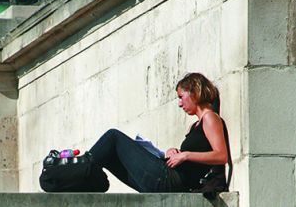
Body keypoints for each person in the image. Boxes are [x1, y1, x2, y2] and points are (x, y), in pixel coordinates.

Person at [88, 73, 228, 192]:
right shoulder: (193, 126)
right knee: (110, 156)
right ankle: (86, 178)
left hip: (170, 180)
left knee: (113, 137)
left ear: (194, 93)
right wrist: (175, 152)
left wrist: (185, 155)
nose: (179, 104)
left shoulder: (210, 118)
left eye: (181, 96)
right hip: (168, 179)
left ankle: (79, 168)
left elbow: (221, 156)